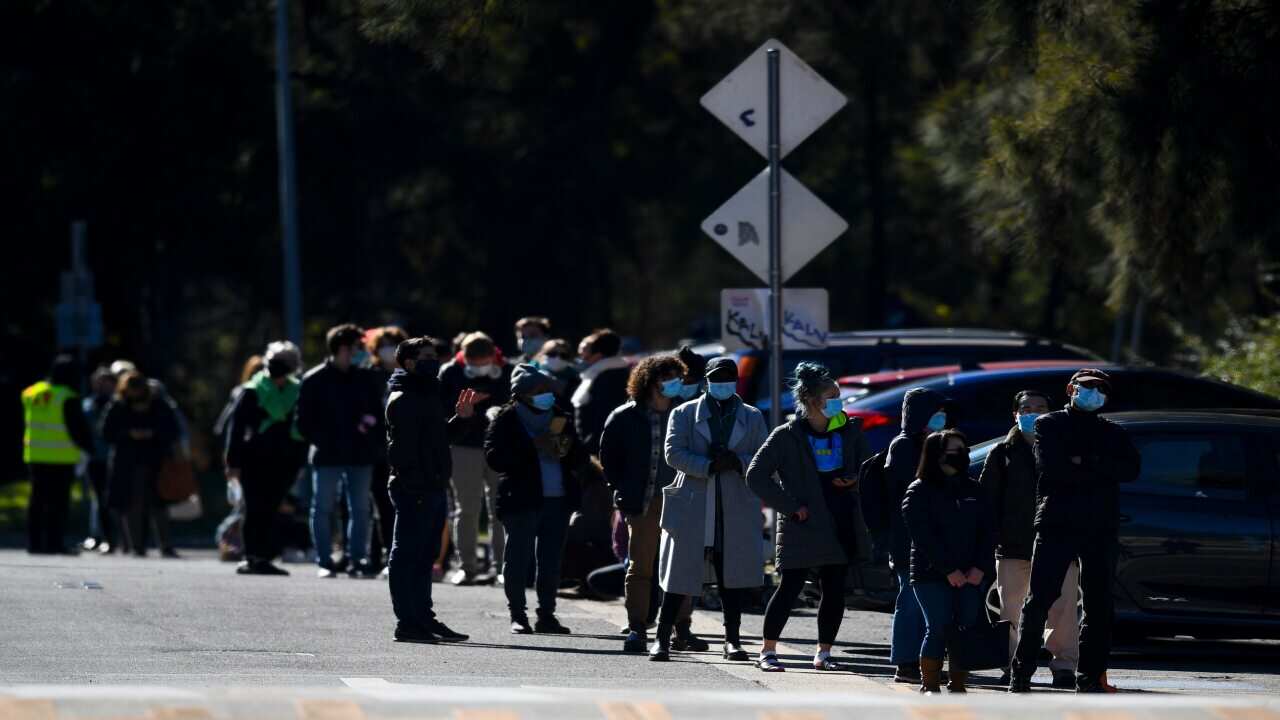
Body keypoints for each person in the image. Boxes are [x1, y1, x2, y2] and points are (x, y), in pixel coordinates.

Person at [1010, 369, 1139, 694]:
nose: (1094, 394)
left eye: (1101, 390)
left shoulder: (1113, 430)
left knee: (1099, 605)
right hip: (1058, 523)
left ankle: (1090, 677)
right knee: (1039, 599)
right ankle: (1021, 674)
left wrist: (1084, 462)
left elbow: (1130, 469)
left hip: (1100, 527)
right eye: (1087, 388)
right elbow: (1054, 468)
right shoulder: (1049, 424)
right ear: (1071, 389)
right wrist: (1098, 466)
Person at [746, 362, 872, 672]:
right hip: (801, 523)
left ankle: (824, 653)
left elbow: (866, 469)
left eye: (839, 395)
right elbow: (756, 475)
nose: (838, 401)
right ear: (812, 400)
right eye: (832, 396)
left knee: (833, 588)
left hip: (840, 518)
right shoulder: (787, 435)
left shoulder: (850, 430)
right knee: (789, 587)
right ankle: (768, 651)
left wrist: (854, 480)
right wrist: (790, 506)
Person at [650, 357, 768, 662]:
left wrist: (737, 462)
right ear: (707, 380)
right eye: (718, 378)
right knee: (679, 572)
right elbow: (673, 453)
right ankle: (662, 637)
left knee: (731, 572)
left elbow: (762, 455)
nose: (723, 383)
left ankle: (733, 640)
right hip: (693, 497)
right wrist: (709, 465)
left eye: (729, 377)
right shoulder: (685, 413)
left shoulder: (752, 416)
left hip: (734, 501)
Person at [600, 353, 707, 654]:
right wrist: (622, 491)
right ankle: (637, 629)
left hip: (682, 500)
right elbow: (610, 460)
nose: (675, 384)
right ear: (649, 381)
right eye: (668, 378)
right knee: (641, 567)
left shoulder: (686, 414)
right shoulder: (624, 417)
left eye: (678, 377)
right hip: (642, 503)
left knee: (682, 568)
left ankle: (681, 629)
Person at [980, 390, 1080, 688]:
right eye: (1026, 408)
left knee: (1062, 609)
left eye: (1040, 407)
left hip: (1059, 541)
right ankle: (1014, 665)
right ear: (1015, 414)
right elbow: (988, 500)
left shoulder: (1064, 447)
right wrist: (990, 540)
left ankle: (1063, 665)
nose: (1032, 412)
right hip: (1013, 545)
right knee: (1011, 609)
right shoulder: (1002, 453)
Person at [484, 364, 589, 635]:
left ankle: (547, 614)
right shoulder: (507, 418)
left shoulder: (559, 416)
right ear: (522, 393)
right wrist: (533, 446)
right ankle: (518, 615)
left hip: (558, 499)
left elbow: (580, 457)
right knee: (518, 559)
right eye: (539, 390)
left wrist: (565, 450)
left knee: (551, 560)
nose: (546, 395)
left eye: (547, 389)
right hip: (521, 499)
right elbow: (495, 458)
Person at [384, 337, 470, 644]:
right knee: (407, 554)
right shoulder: (403, 397)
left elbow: (437, 439)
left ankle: (423, 617)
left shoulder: (427, 393)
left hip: (433, 485)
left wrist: (460, 420)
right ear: (408, 362)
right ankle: (407, 621)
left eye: (435, 355)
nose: (433, 360)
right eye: (425, 356)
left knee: (425, 556)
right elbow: (401, 451)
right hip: (415, 488)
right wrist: (414, 483)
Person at [864, 387, 950, 683]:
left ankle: (925, 661)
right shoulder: (904, 446)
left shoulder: (932, 443)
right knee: (911, 599)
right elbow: (907, 493)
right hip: (907, 538)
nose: (941, 417)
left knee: (926, 600)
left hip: (930, 536)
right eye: (935, 412)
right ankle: (905, 662)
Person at [902, 429, 993, 694]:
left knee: (965, 627)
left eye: (964, 450)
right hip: (931, 574)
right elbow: (923, 537)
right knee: (938, 627)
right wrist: (949, 570)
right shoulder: (919, 491)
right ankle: (929, 685)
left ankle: (959, 684)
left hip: (972, 573)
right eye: (955, 450)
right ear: (937, 455)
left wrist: (979, 567)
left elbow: (988, 532)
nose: (961, 455)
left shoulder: (975, 489)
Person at [296, 323, 384, 578]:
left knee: (360, 508)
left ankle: (358, 559)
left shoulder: (365, 378)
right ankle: (325, 561)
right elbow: (303, 421)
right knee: (323, 507)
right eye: (359, 347)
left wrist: (371, 432)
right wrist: (325, 440)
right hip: (328, 454)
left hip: (360, 454)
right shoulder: (314, 379)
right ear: (343, 348)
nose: (363, 353)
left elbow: (377, 414)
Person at [224, 341, 307, 576]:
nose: (278, 377)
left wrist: (299, 461)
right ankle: (252, 556)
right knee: (254, 509)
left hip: (285, 462)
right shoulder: (251, 391)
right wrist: (233, 464)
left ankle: (265, 556)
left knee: (272, 509)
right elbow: (236, 430)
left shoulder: (296, 391)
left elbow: (302, 429)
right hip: (254, 461)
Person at [439, 331, 511, 585]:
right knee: (466, 509)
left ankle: (502, 566)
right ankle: (466, 566)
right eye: (474, 362)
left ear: (493, 357)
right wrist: (464, 413)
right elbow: (442, 409)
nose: (479, 368)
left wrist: (495, 412)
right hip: (462, 447)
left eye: (484, 362)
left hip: (499, 447)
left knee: (499, 509)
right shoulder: (450, 373)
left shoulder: (508, 371)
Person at [102, 370, 180, 557]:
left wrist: (153, 434)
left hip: (155, 460)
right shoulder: (118, 405)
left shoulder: (159, 404)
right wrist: (129, 434)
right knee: (132, 504)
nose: (134, 394)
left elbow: (172, 430)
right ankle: (136, 545)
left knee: (159, 504)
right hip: (127, 462)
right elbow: (106, 432)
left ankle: (165, 545)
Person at [21, 355, 93, 554]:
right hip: (62, 457)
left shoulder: (31, 393)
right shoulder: (67, 396)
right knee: (58, 503)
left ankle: (34, 544)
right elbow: (77, 428)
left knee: (36, 501)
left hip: (35, 455)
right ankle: (54, 543)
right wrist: (87, 449)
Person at [366, 325, 409, 575]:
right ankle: (375, 555)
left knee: (395, 505)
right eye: (384, 344)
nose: (388, 349)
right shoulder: (368, 376)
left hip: (401, 450)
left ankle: (393, 555)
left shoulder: (410, 375)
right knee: (376, 503)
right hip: (375, 451)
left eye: (394, 344)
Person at [571, 328, 631, 457]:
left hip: (603, 452)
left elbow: (603, 418)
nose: (580, 357)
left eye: (583, 352)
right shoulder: (599, 374)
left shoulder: (609, 378)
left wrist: (589, 448)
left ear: (598, 355)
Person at [80, 366, 118, 554]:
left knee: (116, 499)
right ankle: (105, 538)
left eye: (107, 381)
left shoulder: (119, 402)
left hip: (116, 458)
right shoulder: (88, 404)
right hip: (95, 457)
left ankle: (123, 538)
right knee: (100, 500)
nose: (103, 385)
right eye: (99, 381)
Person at [535, 339, 580, 403]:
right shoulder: (531, 375)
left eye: (563, 355)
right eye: (552, 354)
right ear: (542, 354)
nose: (557, 358)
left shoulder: (577, 380)